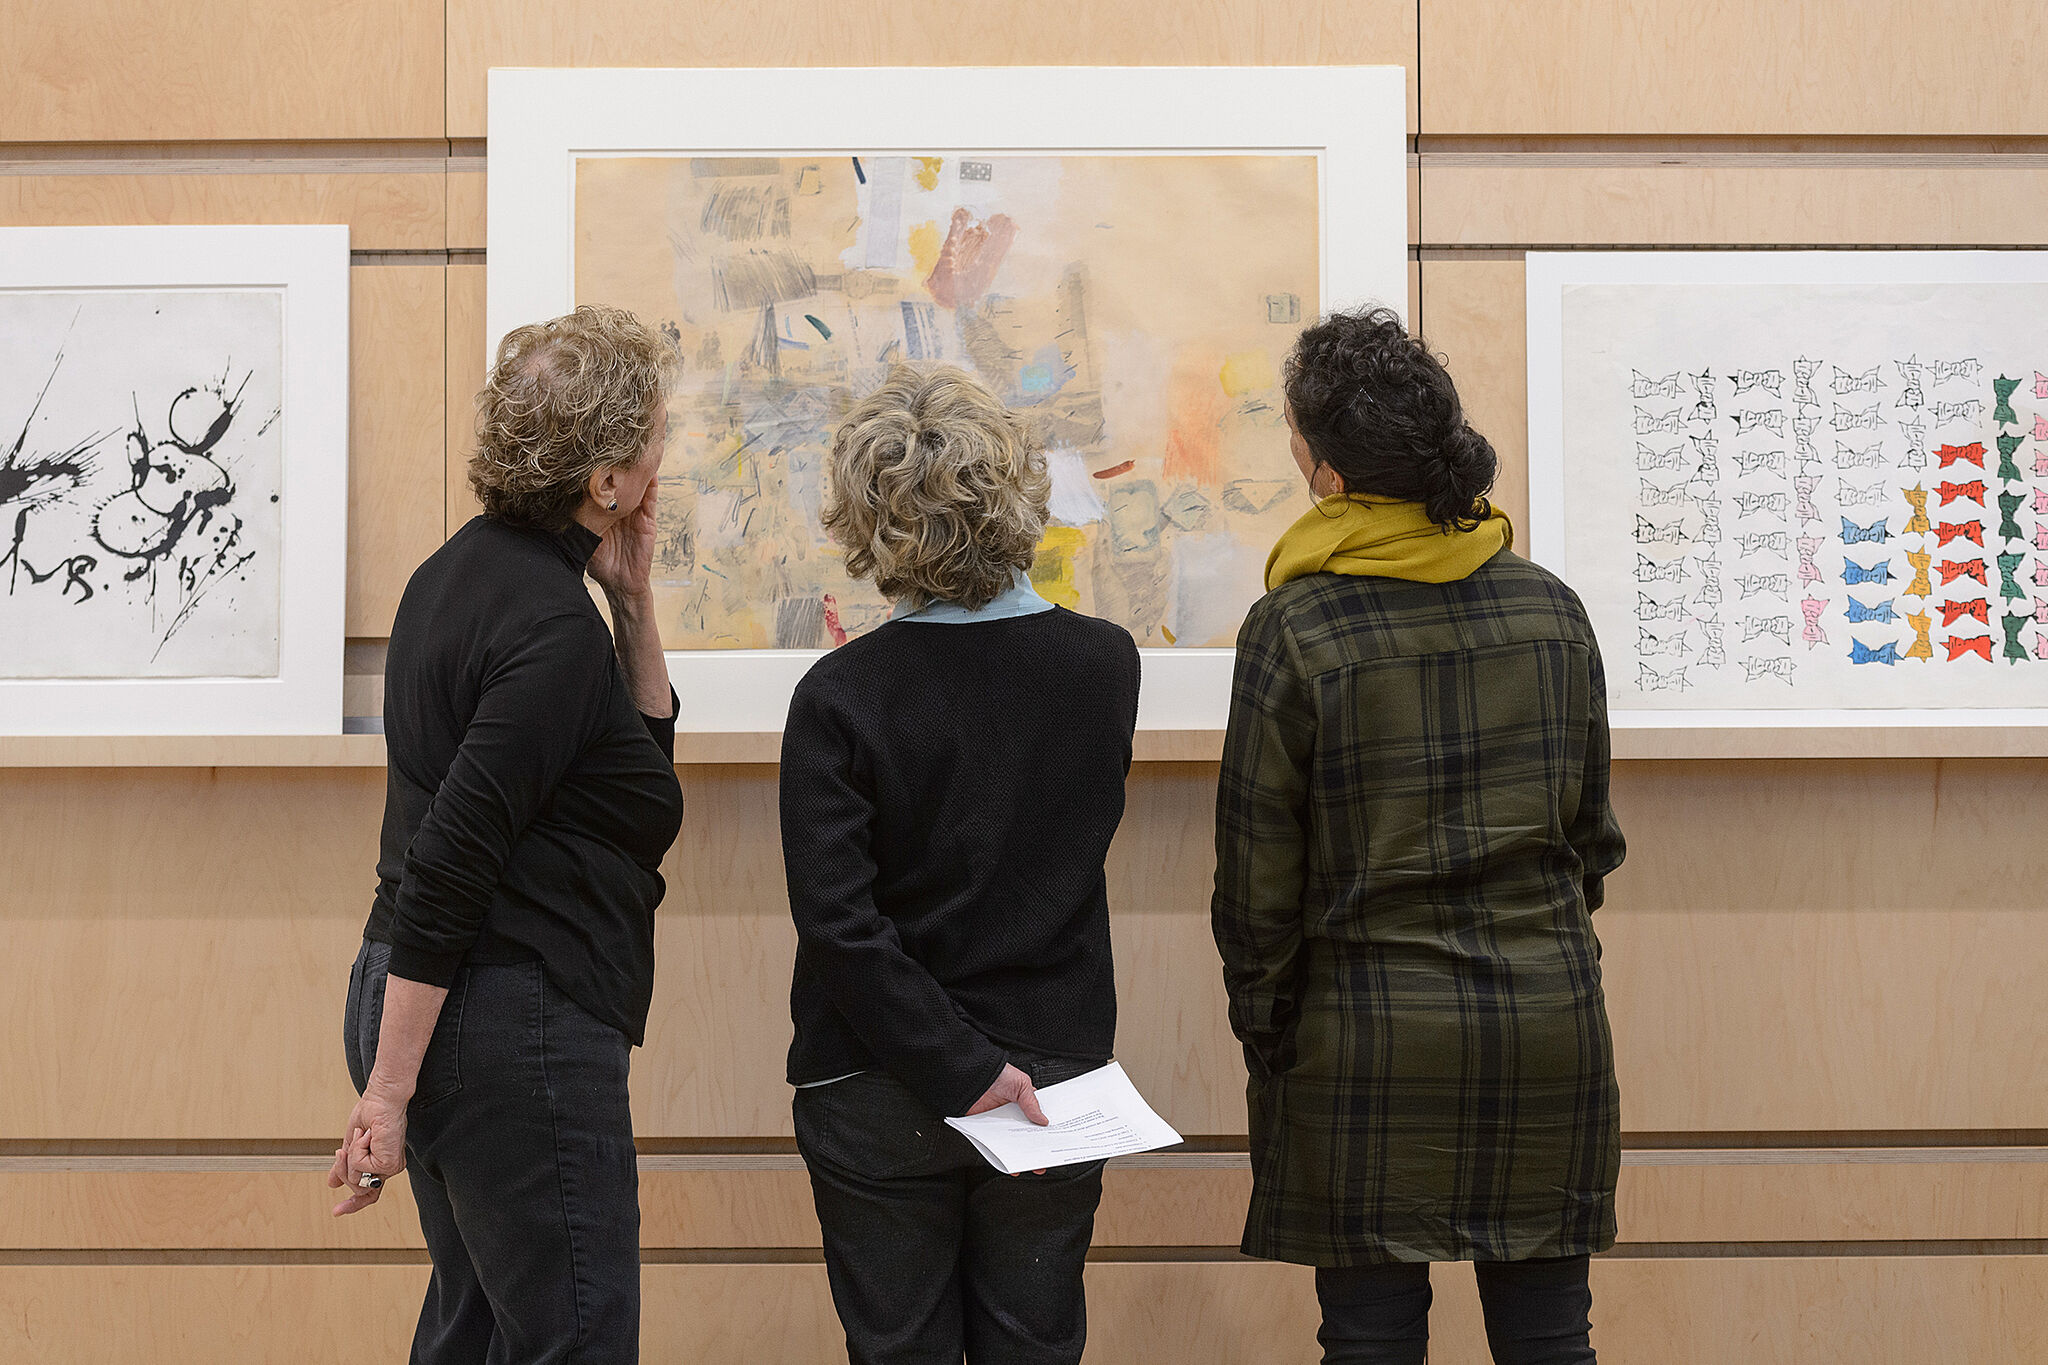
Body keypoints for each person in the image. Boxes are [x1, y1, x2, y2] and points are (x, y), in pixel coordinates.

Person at [1211, 306, 1626, 1365]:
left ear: (1326, 474)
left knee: (1367, 1342)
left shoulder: (1294, 629)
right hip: (1544, 1025)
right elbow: (1589, 840)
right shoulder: (1550, 610)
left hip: (1363, 1033)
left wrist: (1270, 1038)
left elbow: (1256, 887)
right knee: (1548, 1341)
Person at [329, 306, 686, 1363]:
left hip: (436, 995)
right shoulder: (545, 628)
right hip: (498, 1015)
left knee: (477, 1327)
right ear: (607, 480)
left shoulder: (463, 575)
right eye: (653, 439)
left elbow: (629, 783)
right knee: (570, 1339)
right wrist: (385, 1098)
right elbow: (449, 862)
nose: (665, 458)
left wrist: (633, 602)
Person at [779, 364, 1141, 1365]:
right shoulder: (1105, 666)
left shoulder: (840, 697)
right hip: (1053, 1075)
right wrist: (988, 1071)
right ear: (1019, 494)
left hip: (876, 1084)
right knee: (1033, 1346)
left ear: (866, 522)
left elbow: (841, 927)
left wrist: (959, 1069)